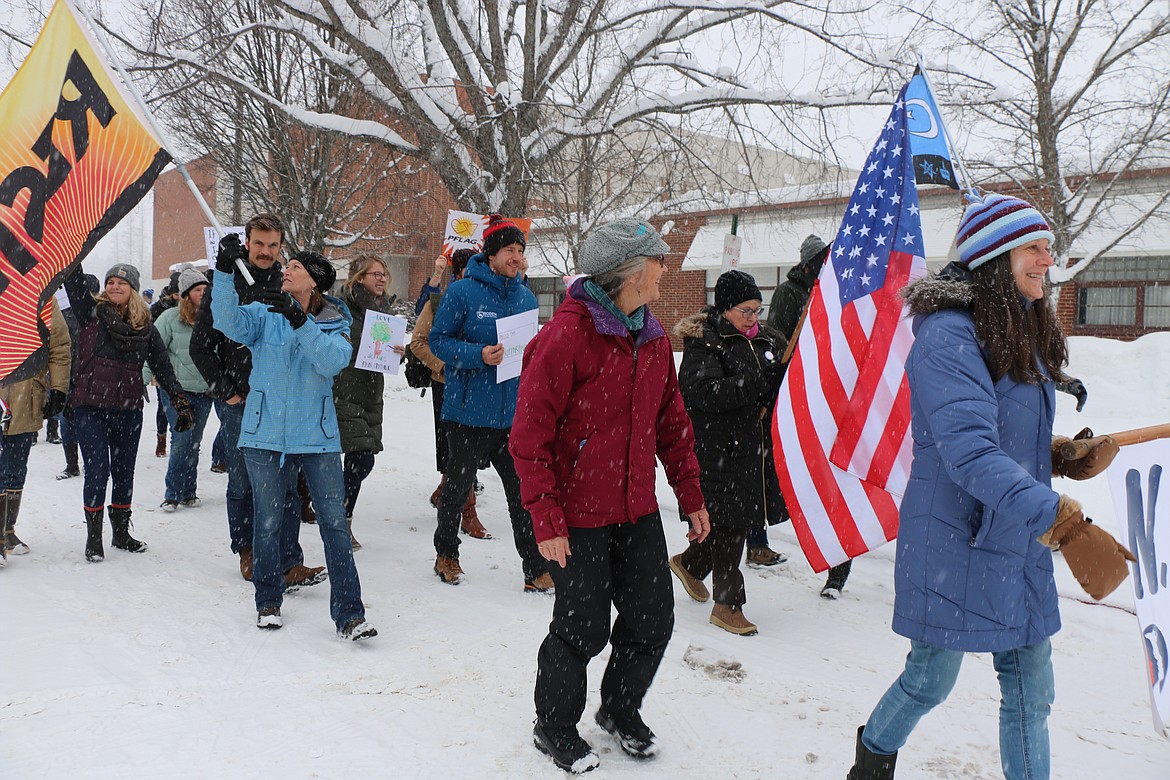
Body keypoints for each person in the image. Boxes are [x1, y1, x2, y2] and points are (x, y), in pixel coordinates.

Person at [847, 193, 1135, 780]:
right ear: (994, 255)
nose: (1046, 261)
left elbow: (1003, 432)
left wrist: (1057, 455)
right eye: (1033, 247)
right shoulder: (948, 336)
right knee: (931, 680)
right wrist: (1062, 520)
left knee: (1032, 689)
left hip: (1019, 534)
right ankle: (871, 763)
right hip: (960, 536)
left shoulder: (1015, 324)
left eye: (1048, 248)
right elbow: (970, 452)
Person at [510, 218, 710, 772]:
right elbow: (530, 437)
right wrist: (545, 519)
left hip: (636, 509)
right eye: (659, 262)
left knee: (652, 618)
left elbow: (672, 424)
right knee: (583, 626)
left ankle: (619, 710)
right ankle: (553, 725)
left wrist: (690, 493)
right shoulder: (566, 337)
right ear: (632, 271)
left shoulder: (651, 335)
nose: (665, 272)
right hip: (576, 516)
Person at [210, 240, 376, 641]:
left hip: (316, 439)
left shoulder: (336, 321)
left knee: (334, 525)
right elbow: (227, 321)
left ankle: (350, 614)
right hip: (264, 434)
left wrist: (301, 324)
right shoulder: (265, 312)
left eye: (296, 266)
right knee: (267, 522)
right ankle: (268, 601)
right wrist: (222, 271)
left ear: (314, 283)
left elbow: (331, 362)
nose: (286, 269)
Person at [190, 214, 324, 589]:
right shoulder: (228, 280)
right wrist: (227, 390)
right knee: (244, 480)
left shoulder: (287, 282)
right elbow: (200, 346)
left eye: (273, 245)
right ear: (246, 242)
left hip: (284, 402)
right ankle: (247, 548)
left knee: (287, 483)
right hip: (241, 401)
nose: (266, 252)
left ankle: (288, 559)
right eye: (259, 244)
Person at [429, 215, 550, 590]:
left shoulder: (526, 295)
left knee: (522, 496)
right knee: (456, 489)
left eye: (520, 250)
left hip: (511, 416)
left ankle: (534, 569)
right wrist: (478, 354)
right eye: (509, 250)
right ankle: (446, 554)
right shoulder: (462, 293)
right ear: (491, 255)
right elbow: (438, 341)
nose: (516, 257)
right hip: (467, 412)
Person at [671, 270, 787, 636]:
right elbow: (704, 394)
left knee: (730, 521)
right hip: (718, 450)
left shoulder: (767, 340)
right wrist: (757, 383)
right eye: (745, 311)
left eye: (757, 310)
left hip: (755, 450)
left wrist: (775, 382)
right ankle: (728, 605)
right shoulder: (705, 342)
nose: (753, 318)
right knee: (731, 527)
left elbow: (778, 384)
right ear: (725, 309)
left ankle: (689, 565)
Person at [64, 264, 194, 562]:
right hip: (91, 408)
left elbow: (162, 364)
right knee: (97, 471)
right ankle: (94, 538)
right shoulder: (90, 313)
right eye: (110, 282)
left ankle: (121, 533)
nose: (114, 286)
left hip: (128, 409)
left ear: (133, 289)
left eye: (122, 282)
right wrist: (73, 249)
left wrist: (179, 400)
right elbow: (72, 280)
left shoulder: (145, 324)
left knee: (124, 473)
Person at [411, 248, 489, 539]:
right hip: (447, 385)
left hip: (481, 386)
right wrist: (444, 366)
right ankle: (467, 512)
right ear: (459, 273)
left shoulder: (489, 302)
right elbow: (419, 342)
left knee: (470, 450)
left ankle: (447, 487)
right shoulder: (440, 302)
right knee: (455, 448)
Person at [333, 254, 401, 550]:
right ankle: (341, 520)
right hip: (345, 387)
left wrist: (397, 350)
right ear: (358, 277)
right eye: (375, 274)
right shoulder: (341, 307)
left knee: (364, 457)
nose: (382, 278)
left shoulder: (382, 308)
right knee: (360, 456)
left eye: (384, 274)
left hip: (372, 391)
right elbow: (338, 343)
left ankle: (337, 512)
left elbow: (380, 344)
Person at [0, 299, 70, 564]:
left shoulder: (41, 298)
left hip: (26, 393)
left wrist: (60, 388)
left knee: (16, 467)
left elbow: (60, 346)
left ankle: (7, 530)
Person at [146, 268, 214, 511]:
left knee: (194, 443)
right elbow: (153, 352)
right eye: (198, 290)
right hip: (176, 391)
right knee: (182, 440)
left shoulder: (213, 318)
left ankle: (188, 491)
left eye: (206, 290)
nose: (203, 294)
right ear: (185, 294)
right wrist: (141, 381)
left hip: (205, 392)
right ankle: (172, 493)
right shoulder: (169, 319)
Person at [150, 271, 182, 458]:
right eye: (176, 294)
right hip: (162, 365)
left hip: (184, 367)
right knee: (163, 406)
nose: (179, 298)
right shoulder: (158, 309)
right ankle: (162, 437)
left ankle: (182, 438)